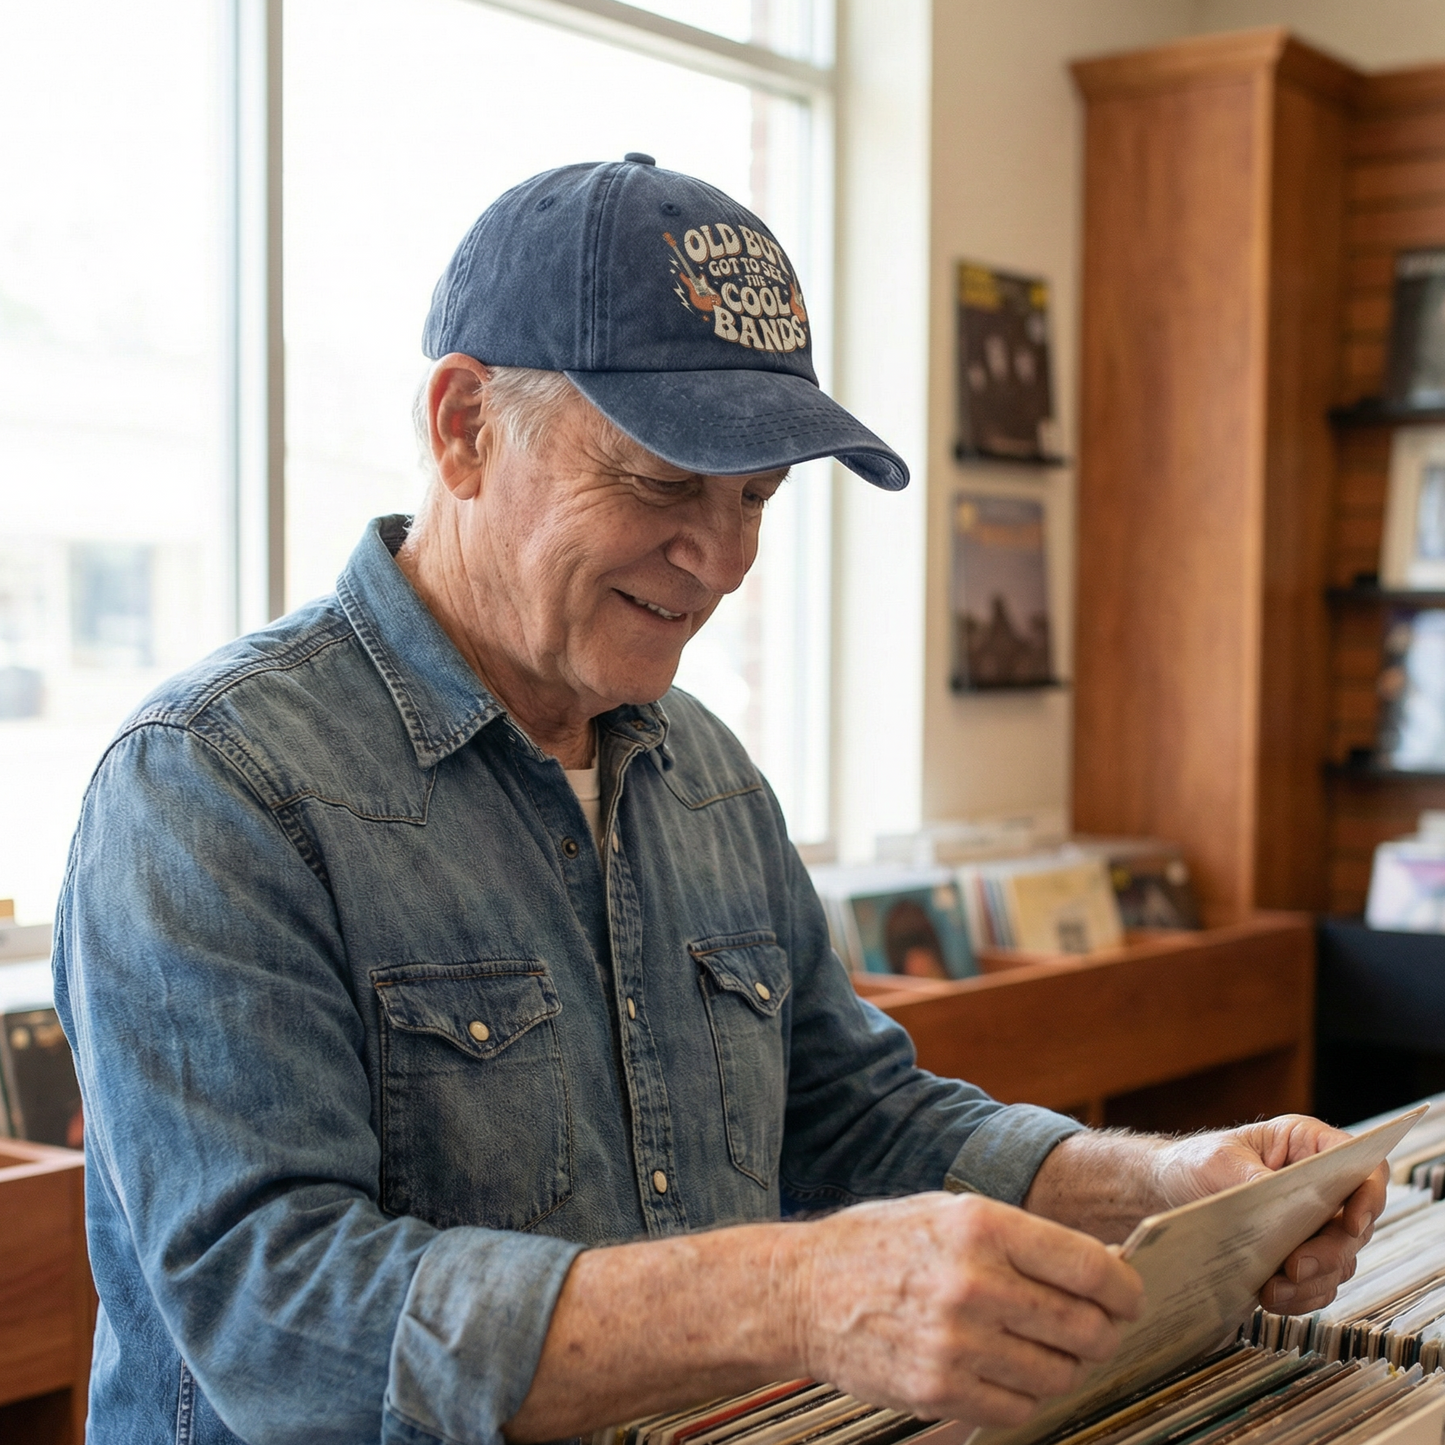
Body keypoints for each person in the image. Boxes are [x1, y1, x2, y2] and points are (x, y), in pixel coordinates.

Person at [55, 156, 1381, 1445]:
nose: (723, 558)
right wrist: (791, 1295)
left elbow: (854, 1115)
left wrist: (1162, 1184)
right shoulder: (211, 784)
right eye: (660, 482)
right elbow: (279, 1321)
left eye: (757, 497)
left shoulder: (705, 773)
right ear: (465, 428)